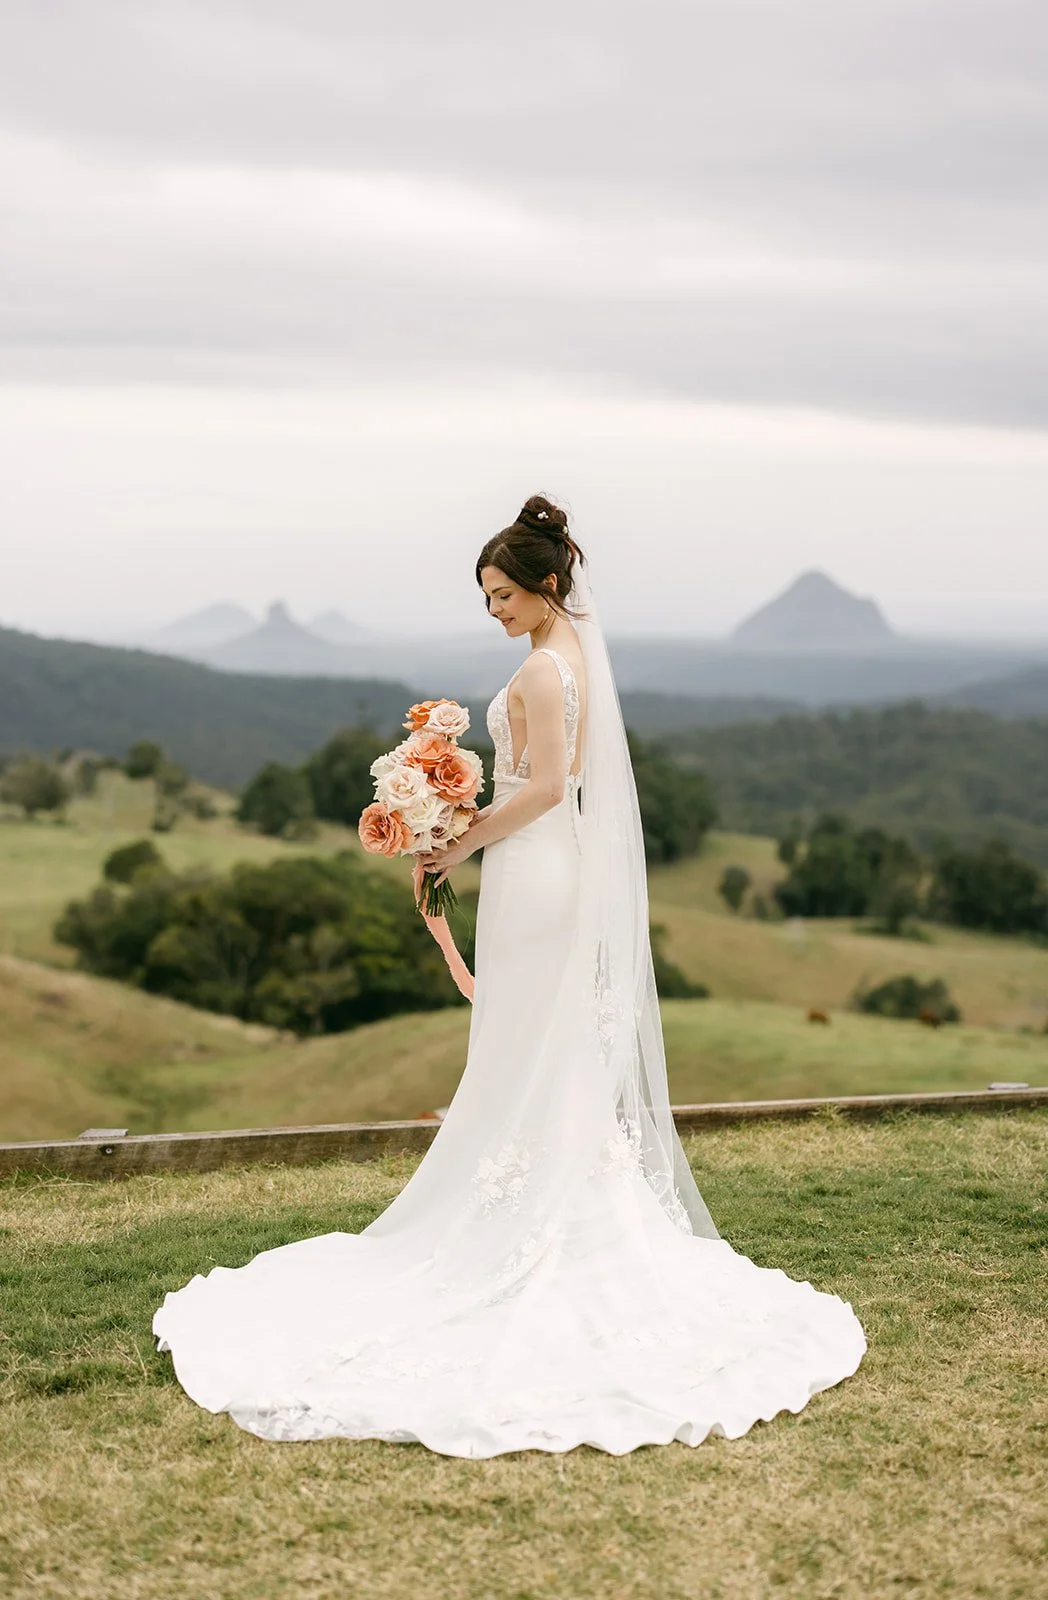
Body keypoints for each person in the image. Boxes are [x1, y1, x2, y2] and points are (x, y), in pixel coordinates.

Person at [153, 494, 865, 1457]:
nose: (493, 608)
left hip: (533, 867)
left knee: (532, 1033)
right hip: (549, 864)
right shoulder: (568, 659)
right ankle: (571, 1193)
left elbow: (540, 786)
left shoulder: (540, 669)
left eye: (502, 593)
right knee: (546, 1037)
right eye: (486, 595)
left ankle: (546, 1210)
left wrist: (454, 843)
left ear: (547, 586)